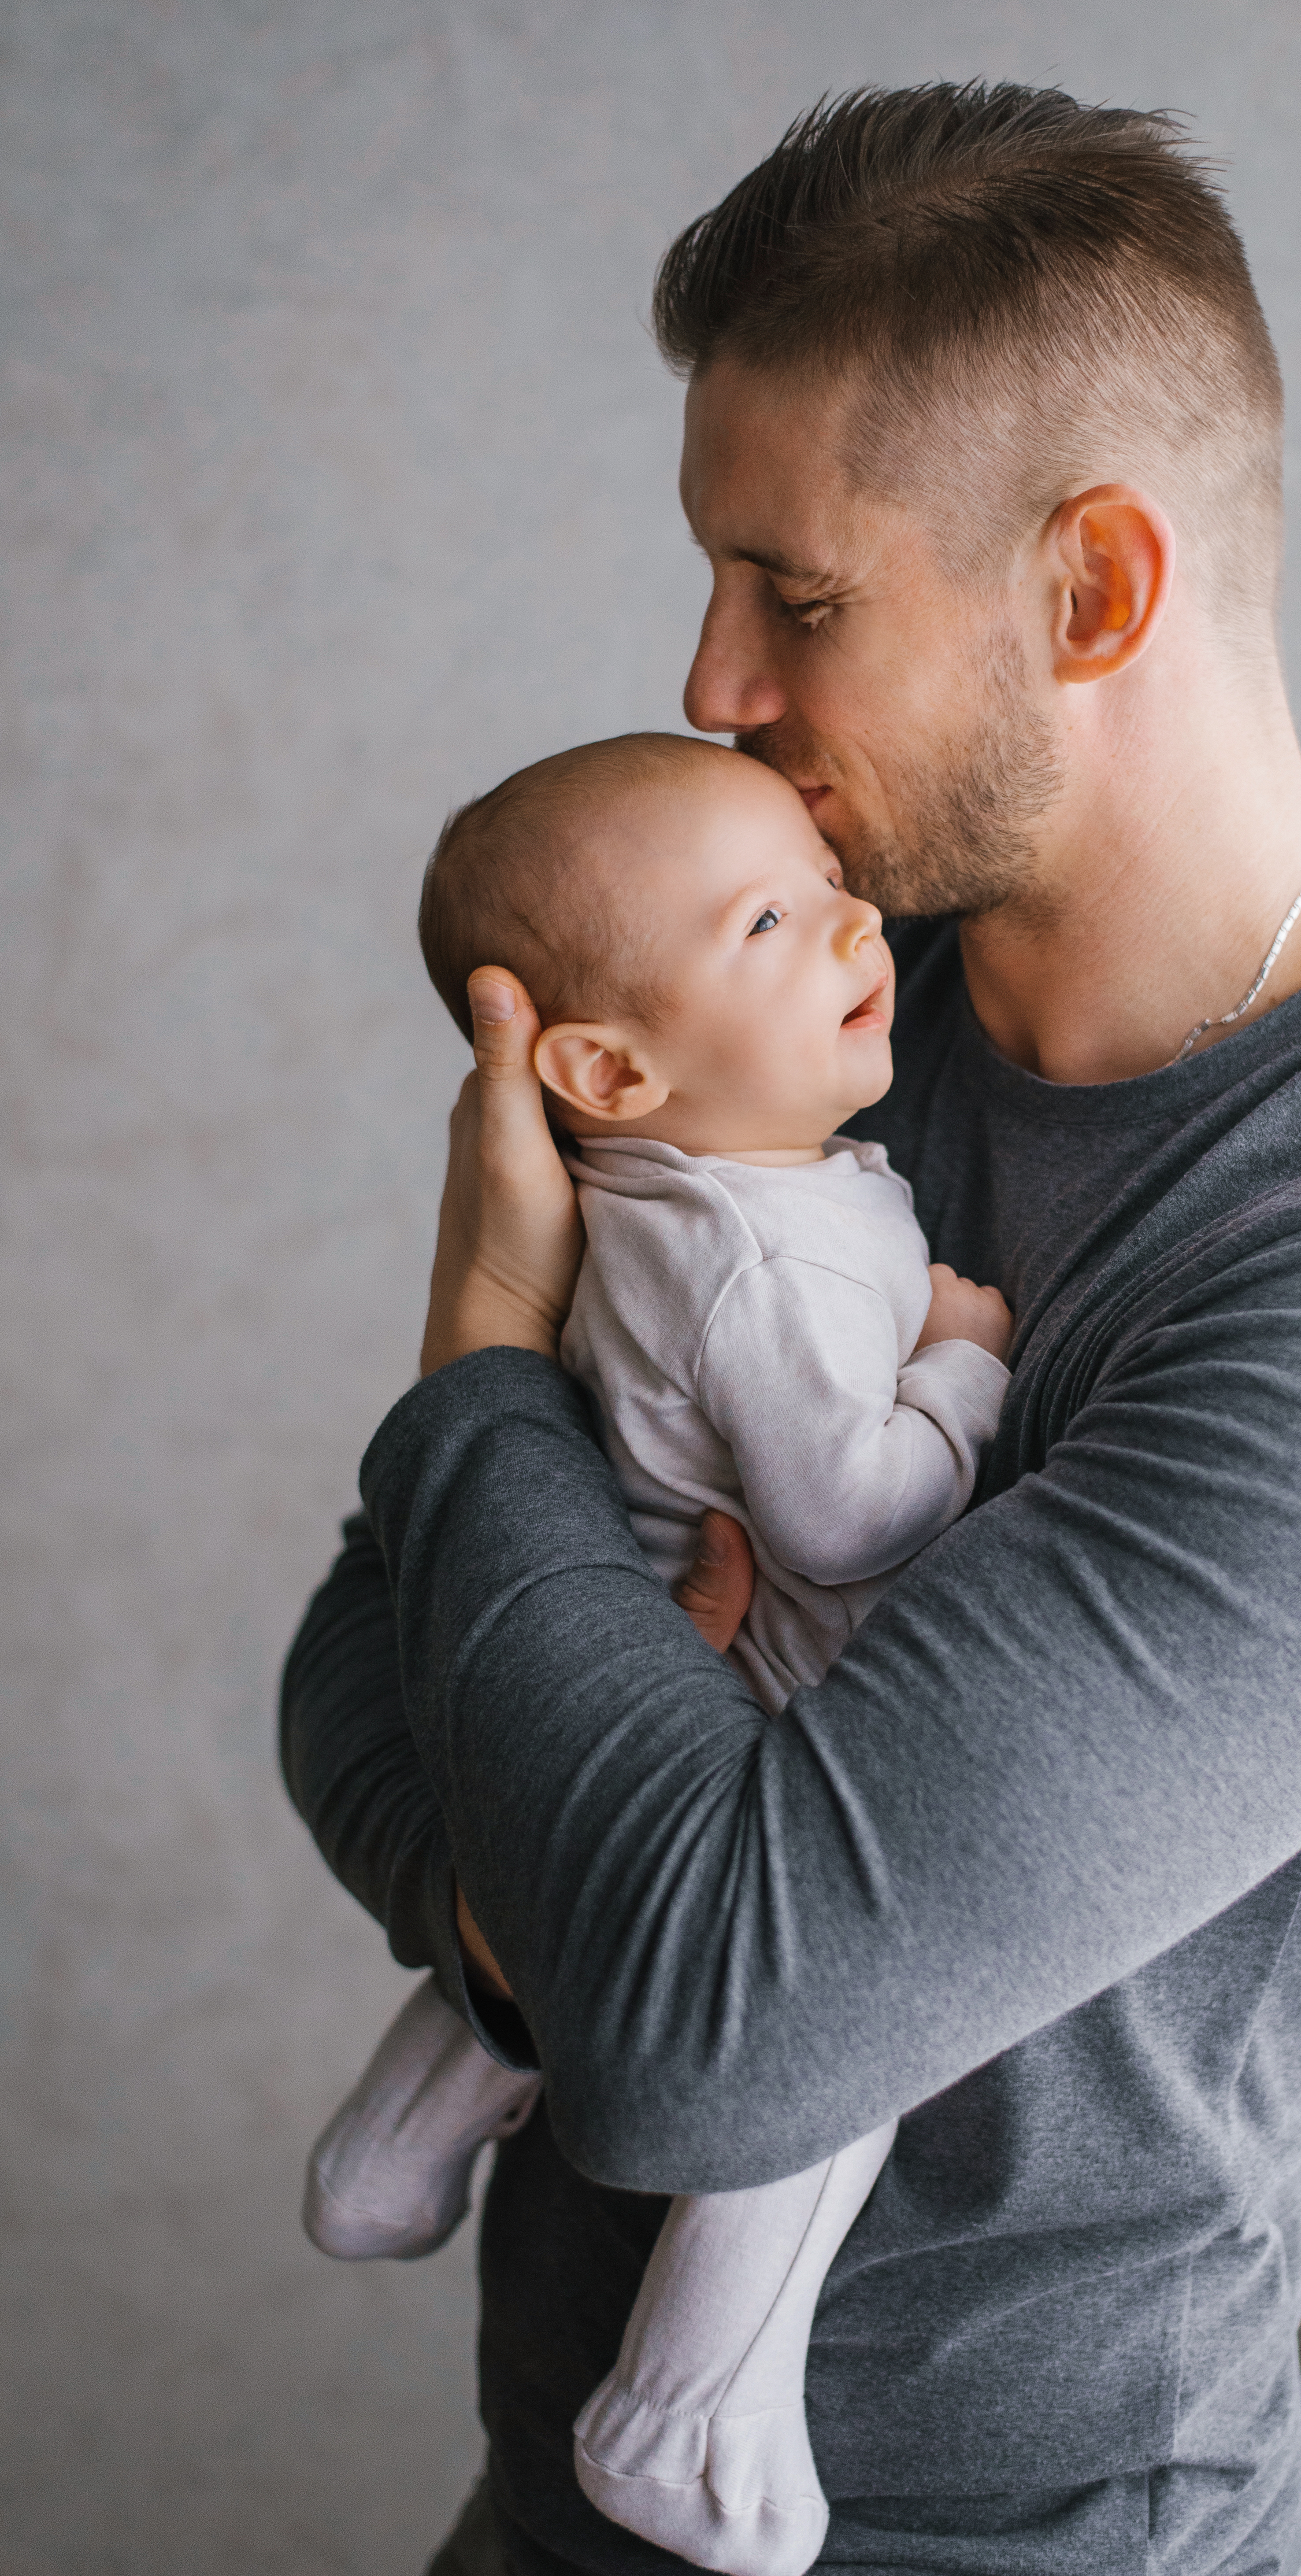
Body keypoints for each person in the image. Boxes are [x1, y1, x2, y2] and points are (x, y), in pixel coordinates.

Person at [281, 84, 1301, 2576]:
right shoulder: (809, 1012)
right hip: (535, 2513)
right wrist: (524, 1919)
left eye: (790, 597)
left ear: (1093, 588)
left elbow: (716, 2034)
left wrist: (481, 1346)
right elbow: (360, 1653)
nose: (709, 683)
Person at [301, 734, 1013, 2576]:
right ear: (608, 1071)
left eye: (822, 887)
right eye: (770, 919)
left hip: (611, 1657)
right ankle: (687, 2411)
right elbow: (845, 1516)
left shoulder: (659, 1201)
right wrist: (960, 1368)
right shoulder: (761, 1250)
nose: (852, 921)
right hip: (766, 1684)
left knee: (567, 1876)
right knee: (830, 2053)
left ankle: (400, 2130)